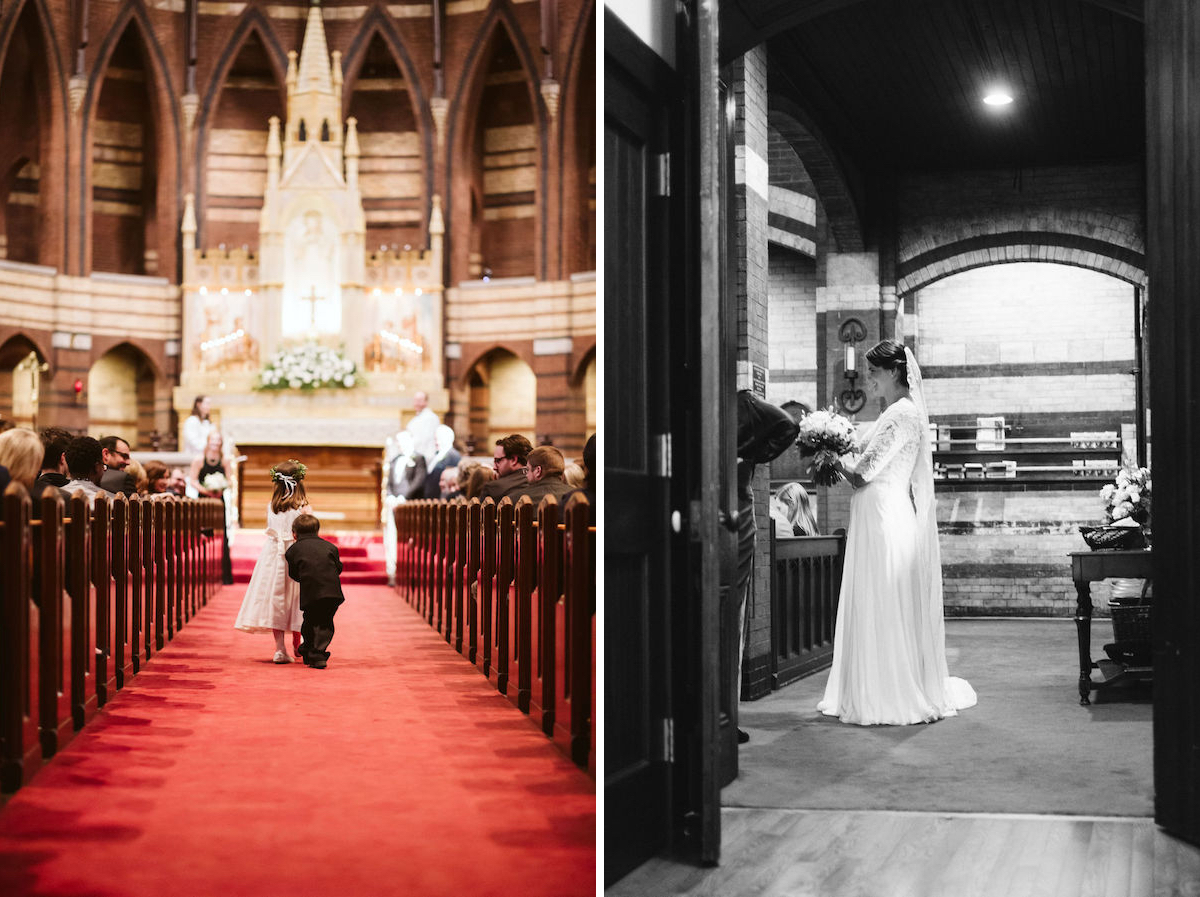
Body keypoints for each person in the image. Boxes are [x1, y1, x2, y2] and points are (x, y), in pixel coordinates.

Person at [818, 339, 977, 726]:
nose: (869, 378)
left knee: (881, 601)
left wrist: (829, 452)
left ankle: (885, 692)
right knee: (879, 600)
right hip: (883, 515)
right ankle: (870, 686)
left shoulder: (900, 414)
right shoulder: (897, 413)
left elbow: (862, 474)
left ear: (892, 372)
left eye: (874, 371)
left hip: (883, 517)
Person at [734, 391, 801, 743]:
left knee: (733, 617)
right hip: (729, 517)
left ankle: (724, 713)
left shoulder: (741, 402)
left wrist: (747, 455)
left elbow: (787, 425)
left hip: (736, 518)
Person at [233, 459, 310, 663]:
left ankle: (279, 649)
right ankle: (298, 642)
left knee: (277, 597)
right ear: (299, 482)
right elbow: (309, 533)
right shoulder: (303, 507)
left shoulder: (271, 506)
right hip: (295, 553)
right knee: (296, 598)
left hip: (273, 555)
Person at [285, 513, 345, 670]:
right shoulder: (330, 547)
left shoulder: (293, 550)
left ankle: (316, 655)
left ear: (294, 533)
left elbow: (293, 574)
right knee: (323, 621)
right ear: (317, 531)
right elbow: (338, 567)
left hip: (311, 591)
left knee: (312, 620)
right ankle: (309, 649)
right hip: (332, 592)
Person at [189, 431, 235, 584]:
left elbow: (229, 481)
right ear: (208, 441)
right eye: (213, 440)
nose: (216, 443)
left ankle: (223, 575)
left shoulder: (225, 461)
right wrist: (206, 490)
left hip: (218, 501)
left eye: (218, 440)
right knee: (204, 533)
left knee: (221, 534)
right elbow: (193, 480)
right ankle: (202, 574)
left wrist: (220, 487)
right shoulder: (199, 460)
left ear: (221, 443)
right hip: (204, 500)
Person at [382, 431, 427, 586]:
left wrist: (404, 498)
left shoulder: (419, 459)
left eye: (402, 442)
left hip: (410, 504)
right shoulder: (395, 460)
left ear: (410, 441)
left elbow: (419, 481)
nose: (399, 445)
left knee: (410, 539)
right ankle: (392, 572)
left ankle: (410, 574)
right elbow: (389, 483)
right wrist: (390, 496)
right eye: (398, 442)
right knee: (391, 538)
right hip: (393, 504)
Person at [479, 434, 533, 502]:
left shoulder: (493, 488)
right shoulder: (539, 481)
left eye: (498, 461)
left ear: (513, 460)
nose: (494, 467)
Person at [64, 436, 107, 507]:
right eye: (103, 465)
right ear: (97, 467)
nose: (104, 470)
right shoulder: (113, 502)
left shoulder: (53, 499)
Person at [423, 425, 461, 499]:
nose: (436, 442)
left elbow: (451, 480)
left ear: (448, 438)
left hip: (441, 497)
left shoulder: (453, 456)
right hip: (431, 497)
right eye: (435, 439)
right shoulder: (437, 455)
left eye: (439, 439)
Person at [405, 390, 440, 465]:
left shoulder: (431, 418)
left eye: (419, 400)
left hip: (424, 458)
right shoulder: (414, 420)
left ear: (426, 402)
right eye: (415, 400)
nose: (416, 403)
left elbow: (424, 439)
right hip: (414, 457)